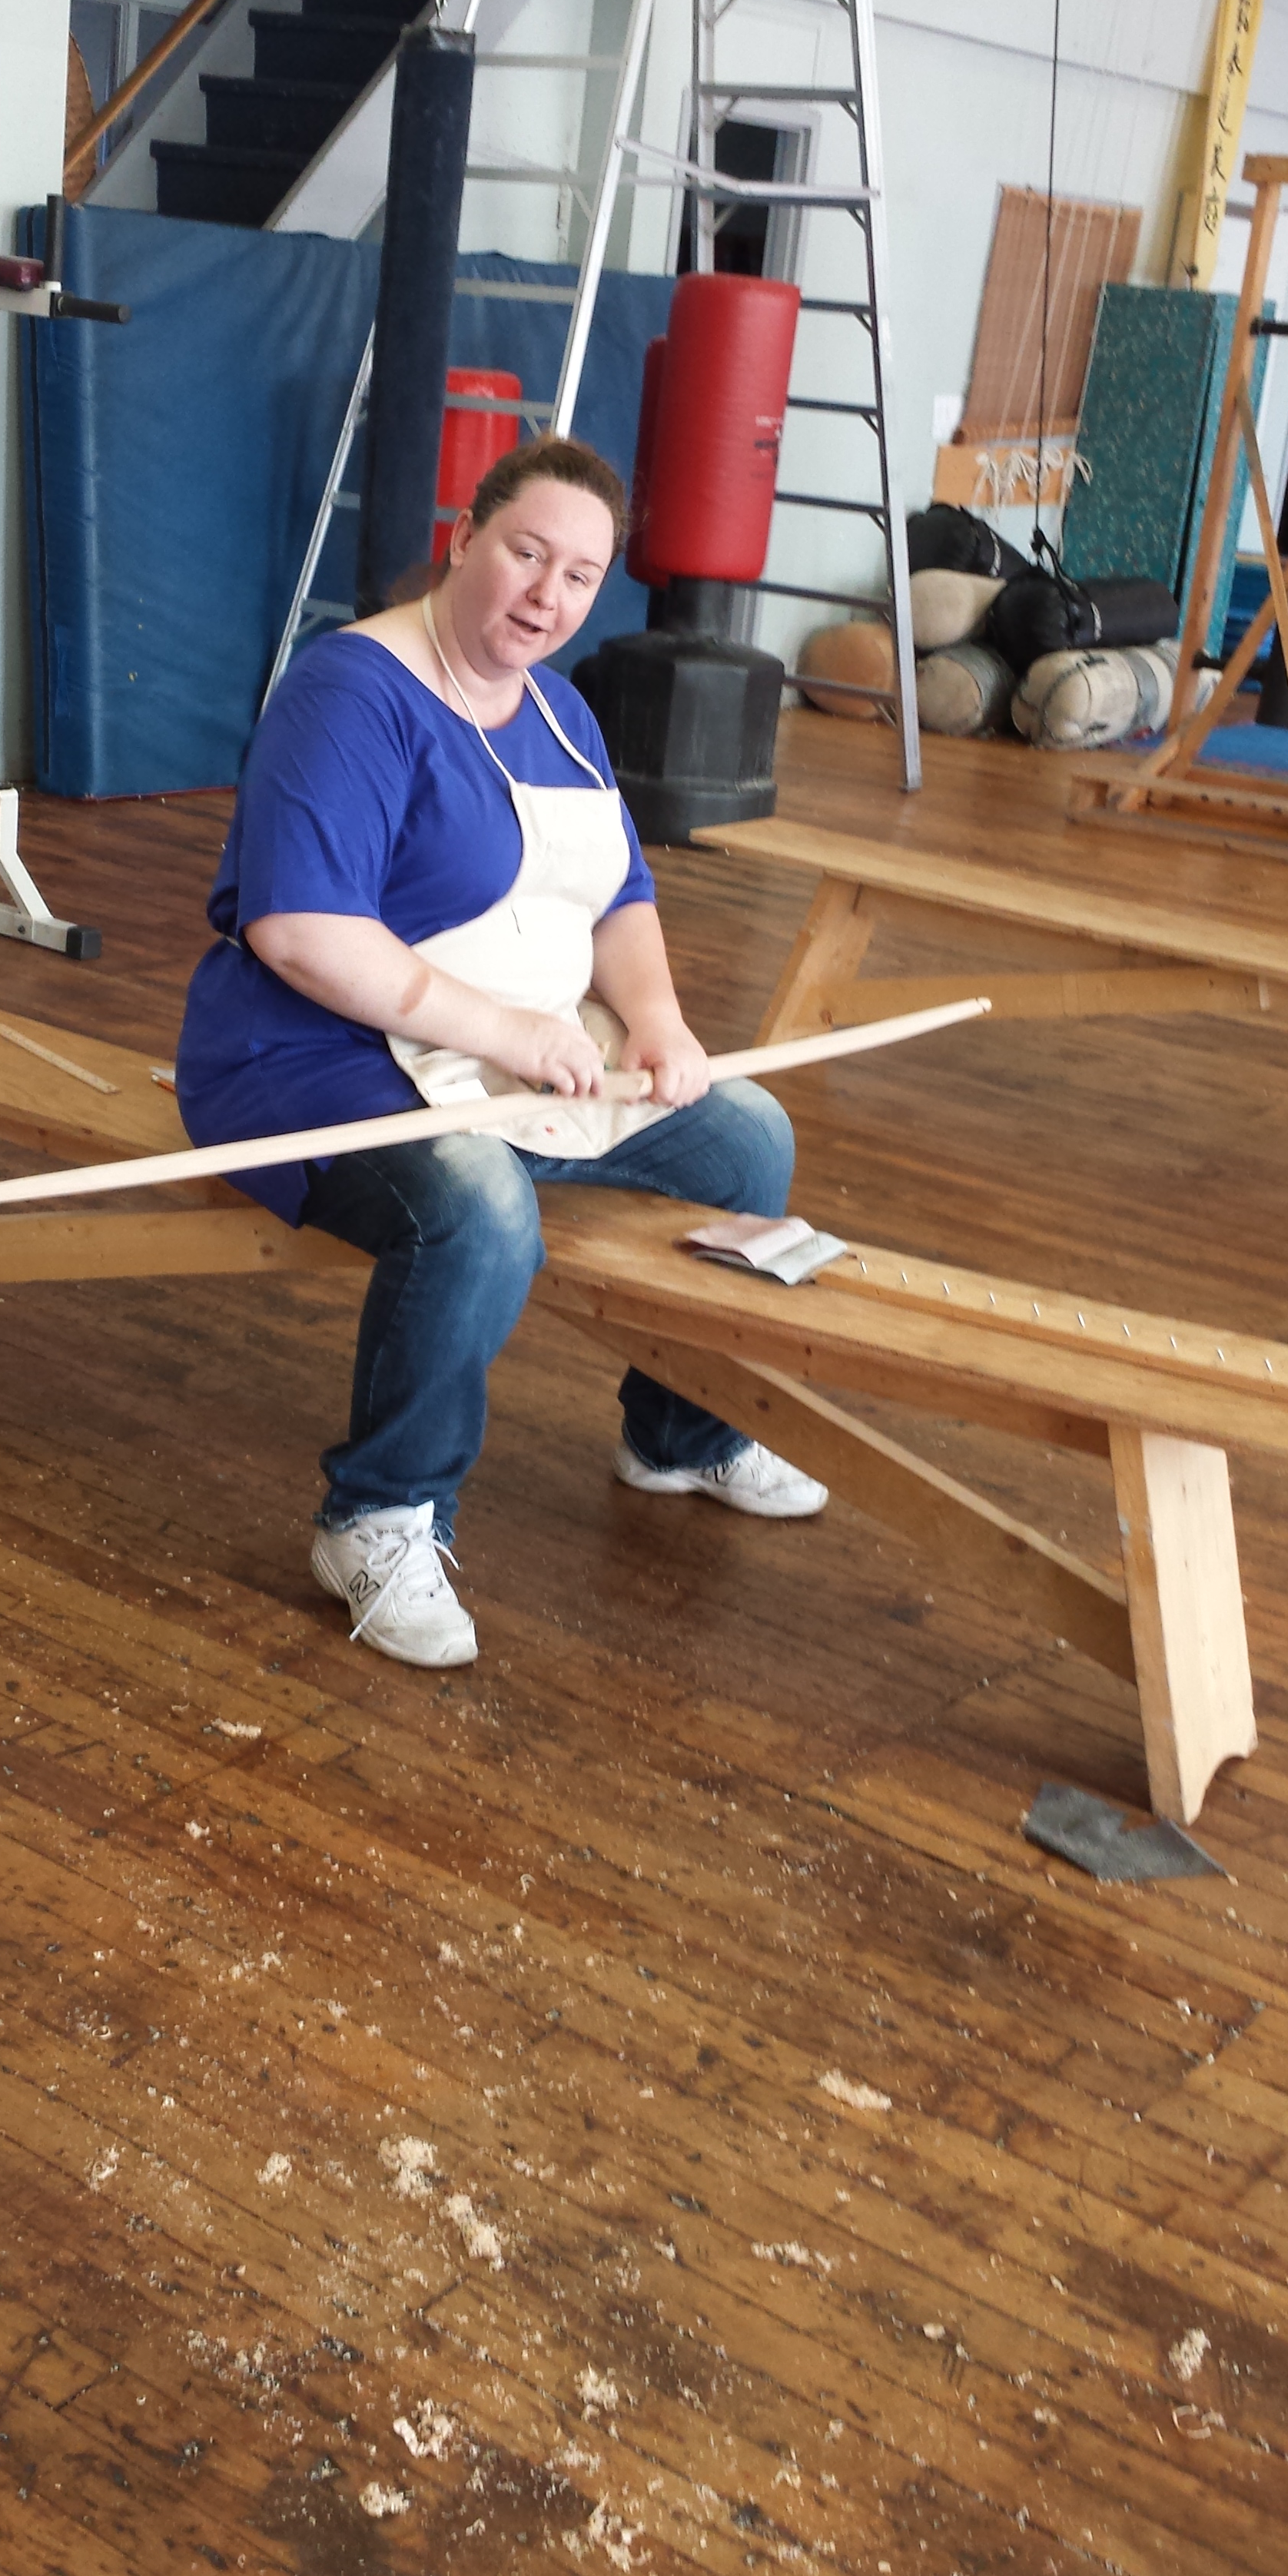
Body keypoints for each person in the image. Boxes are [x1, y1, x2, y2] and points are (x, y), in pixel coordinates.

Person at [177, 433, 825, 1669]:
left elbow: (618, 895)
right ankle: (378, 1517)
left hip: (511, 1049)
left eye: (579, 576)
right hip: (310, 1054)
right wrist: (513, 1035)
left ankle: (679, 1434)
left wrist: (657, 1020)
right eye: (526, 554)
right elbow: (302, 933)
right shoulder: (349, 692)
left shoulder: (559, 710)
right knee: (476, 1204)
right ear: (464, 536)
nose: (547, 595)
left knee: (745, 1137)